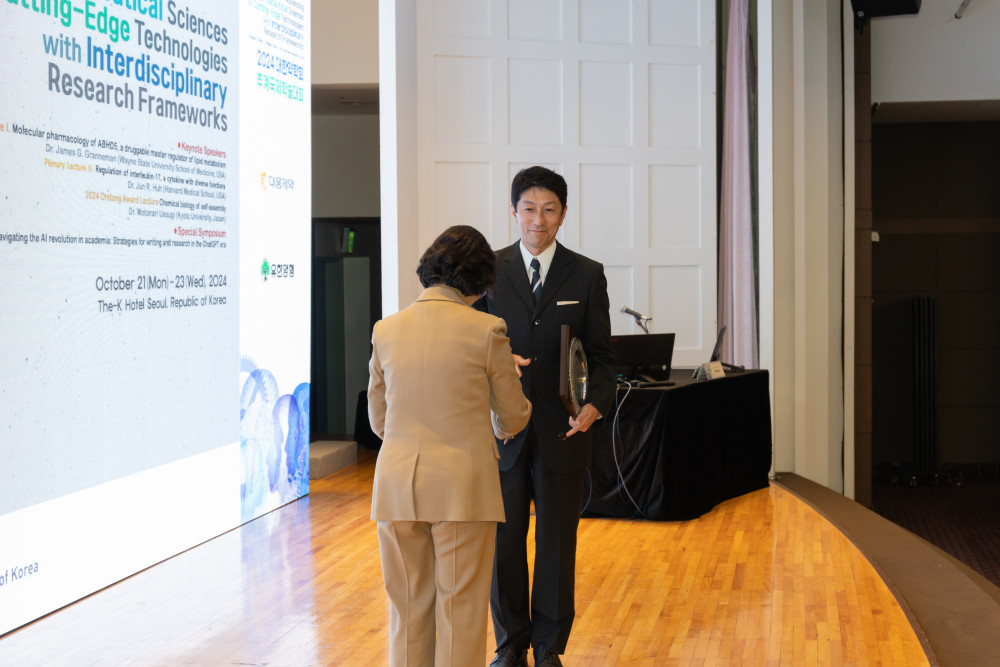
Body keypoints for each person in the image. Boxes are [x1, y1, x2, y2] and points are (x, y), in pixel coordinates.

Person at [367, 225, 532, 667]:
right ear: (479, 280)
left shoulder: (386, 330)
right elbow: (514, 415)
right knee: (460, 612)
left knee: (407, 610)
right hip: (462, 491)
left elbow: (379, 420)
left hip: (396, 488)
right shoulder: (487, 330)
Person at [479, 167, 617, 667]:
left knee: (557, 542)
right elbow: (470, 346)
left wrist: (596, 403)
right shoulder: (490, 271)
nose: (538, 220)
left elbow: (602, 356)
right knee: (504, 540)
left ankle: (548, 647)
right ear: (513, 211)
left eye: (549, 209)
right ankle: (509, 645)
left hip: (564, 430)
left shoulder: (586, 274)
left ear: (563, 213)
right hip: (503, 431)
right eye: (529, 209)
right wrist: (497, 363)